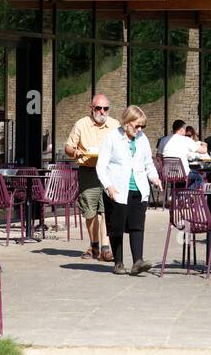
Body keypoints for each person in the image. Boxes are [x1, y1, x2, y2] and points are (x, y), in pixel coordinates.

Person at [97, 105, 159, 276]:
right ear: (127, 122)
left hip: (138, 188)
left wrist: (154, 177)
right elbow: (101, 166)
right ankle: (118, 262)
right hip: (117, 190)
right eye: (137, 126)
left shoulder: (142, 139)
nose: (139, 130)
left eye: (142, 126)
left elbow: (148, 164)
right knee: (116, 227)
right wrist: (108, 186)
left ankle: (138, 261)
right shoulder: (112, 137)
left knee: (137, 225)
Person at [64, 93, 119, 263]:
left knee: (106, 210)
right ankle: (94, 245)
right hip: (88, 171)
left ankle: (105, 248)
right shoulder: (81, 124)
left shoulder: (115, 125)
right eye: (99, 108)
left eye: (105, 108)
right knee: (90, 211)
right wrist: (75, 152)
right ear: (92, 108)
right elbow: (68, 147)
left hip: (109, 172)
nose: (102, 111)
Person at [162, 122, 208, 187]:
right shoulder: (186, 140)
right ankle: (185, 192)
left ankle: (178, 192)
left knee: (180, 180)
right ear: (182, 129)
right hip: (183, 174)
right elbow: (203, 151)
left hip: (167, 174)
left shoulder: (164, 140)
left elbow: (158, 156)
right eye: (185, 130)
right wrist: (204, 145)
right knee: (199, 178)